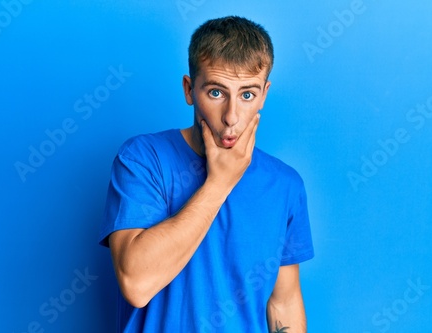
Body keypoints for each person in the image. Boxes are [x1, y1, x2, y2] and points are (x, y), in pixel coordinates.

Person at [99, 15, 314, 332]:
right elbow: (136, 283)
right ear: (189, 89)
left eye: (247, 95)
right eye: (216, 92)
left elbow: (283, 301)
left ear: (264, 94)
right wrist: (219, 183)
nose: (231, 117)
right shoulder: (142, 160)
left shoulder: (285, 185)